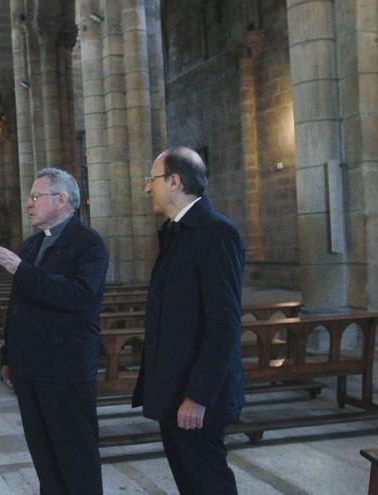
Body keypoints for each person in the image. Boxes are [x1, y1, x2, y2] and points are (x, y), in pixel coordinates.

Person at [0, 168, 108, 495]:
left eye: (36, 197)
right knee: (45, 458)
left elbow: (78, 295)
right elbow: (17, 307)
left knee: (76, 458)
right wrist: (8, 357)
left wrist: (21, 270)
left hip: (65, 368)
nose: (29, 204)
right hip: (30, 368)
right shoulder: (31, 244)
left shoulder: (87, 244)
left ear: (63, 200)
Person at [131, 147, 245, 494]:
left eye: (152, 180)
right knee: (189, 482)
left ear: (174, 181)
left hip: (197, 394)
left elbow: (223, 324)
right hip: (173, 388)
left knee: (208, 482)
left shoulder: (214, 232)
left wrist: (197, 396)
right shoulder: (177, 231)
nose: (147, 188)